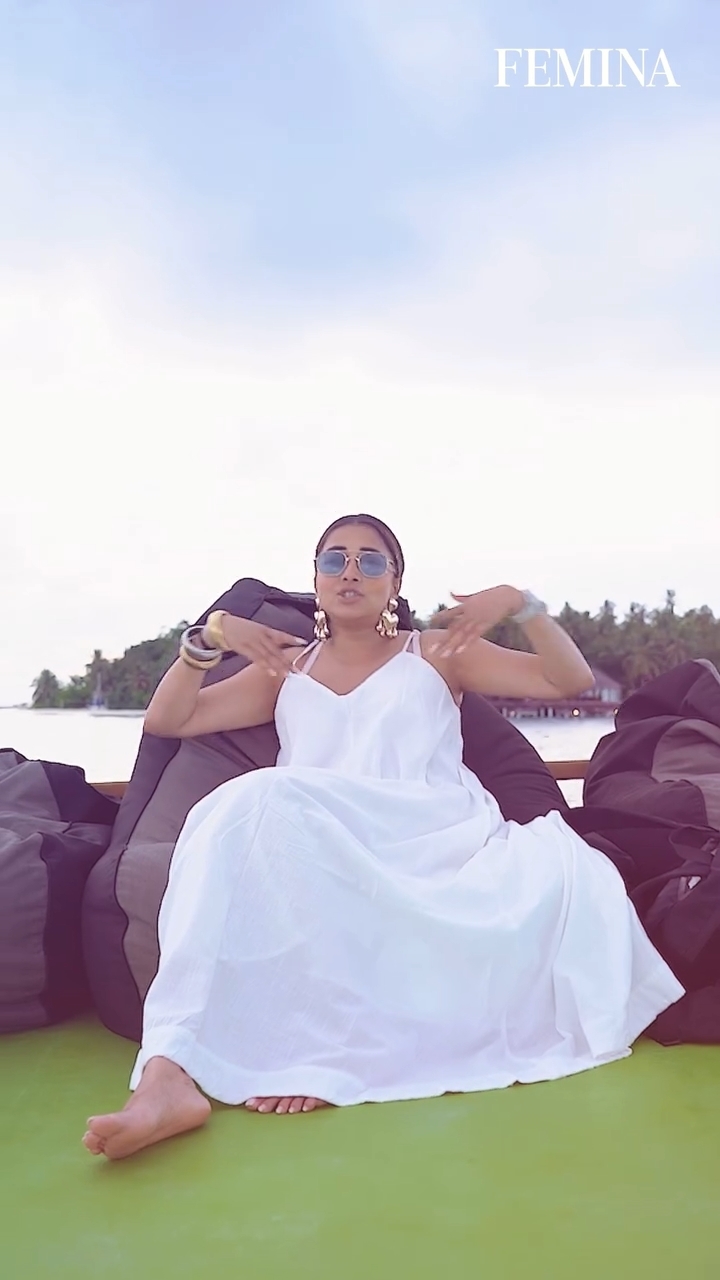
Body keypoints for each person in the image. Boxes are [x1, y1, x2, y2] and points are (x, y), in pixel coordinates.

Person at [82, 514, 683, 1160]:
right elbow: (170, 719)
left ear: (395, 583)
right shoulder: (284, 669)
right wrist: (210, 636)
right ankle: (166, 1075)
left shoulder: (438, 653)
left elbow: (568, 681)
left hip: (429, 833)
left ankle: (314, 1052)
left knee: (253, 799)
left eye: (371, 561)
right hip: (322, 842)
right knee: (233, 814)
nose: (351, 572)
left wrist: (520, 603)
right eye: (334, 559)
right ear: (316, 579)